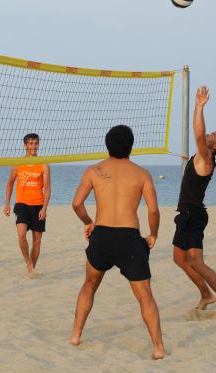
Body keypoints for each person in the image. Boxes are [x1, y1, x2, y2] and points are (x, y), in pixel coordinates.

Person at [70, 125, 166, 360]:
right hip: (128, 238)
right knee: (145, 294)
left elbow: (76, 204)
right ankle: (158, 348)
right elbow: (153, 210)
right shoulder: (142, 174)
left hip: (101, 235)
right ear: (131, 146)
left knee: (89, 284)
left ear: (107, 144)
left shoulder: (94, 170)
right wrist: (153, 234)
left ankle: (76, 335)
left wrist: (89, 222)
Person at [172, 86, 216, 318]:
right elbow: (200, 137)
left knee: (197, 262)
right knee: (179, 258)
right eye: (210, 134)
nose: (208, 136)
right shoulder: (200, 157)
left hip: (194, 215)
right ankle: (206, 294)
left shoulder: (207, 156)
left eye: (213, 136)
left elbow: (198, 134)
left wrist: (199, 106)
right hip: (185, 214)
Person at [4, 133, 51, 277]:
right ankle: (29, 265)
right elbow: (10, 183)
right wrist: (7, 203)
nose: (33, 146)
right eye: (31, 143)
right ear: (25, 145)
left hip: (38, 205)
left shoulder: (44, 164)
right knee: (21, 235)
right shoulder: (18, 163)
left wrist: (44, 208)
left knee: (37, 241)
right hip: (22, 204)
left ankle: (32, 269)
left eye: (36, 143)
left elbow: (47, 188)